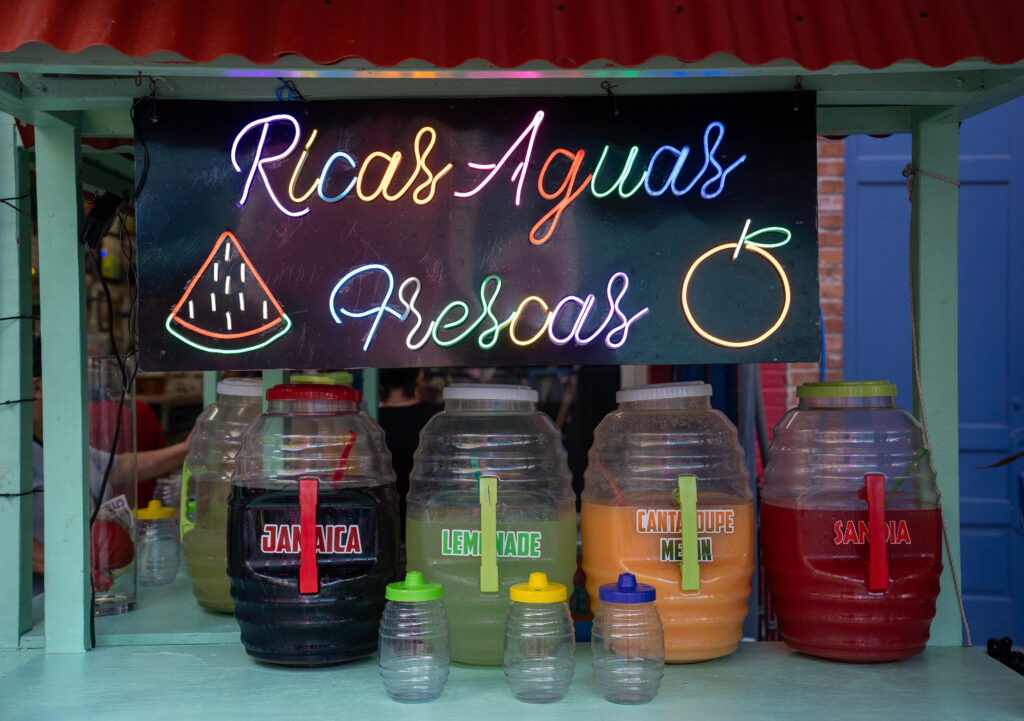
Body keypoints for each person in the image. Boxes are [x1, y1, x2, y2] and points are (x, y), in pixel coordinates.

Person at [31, 337, 190, 592]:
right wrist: (70, 569)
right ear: (38, 387)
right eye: (73, 378)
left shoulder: (58, 442)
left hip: (88, 590)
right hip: (38, 603)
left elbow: (118, 467)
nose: (84, 389)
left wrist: (186, 449)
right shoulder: (13, 457)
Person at [376, 368, 442, 541]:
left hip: (383, 527)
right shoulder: (437, 418)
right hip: (429, 525)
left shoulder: (371, 421)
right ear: (419, 376)